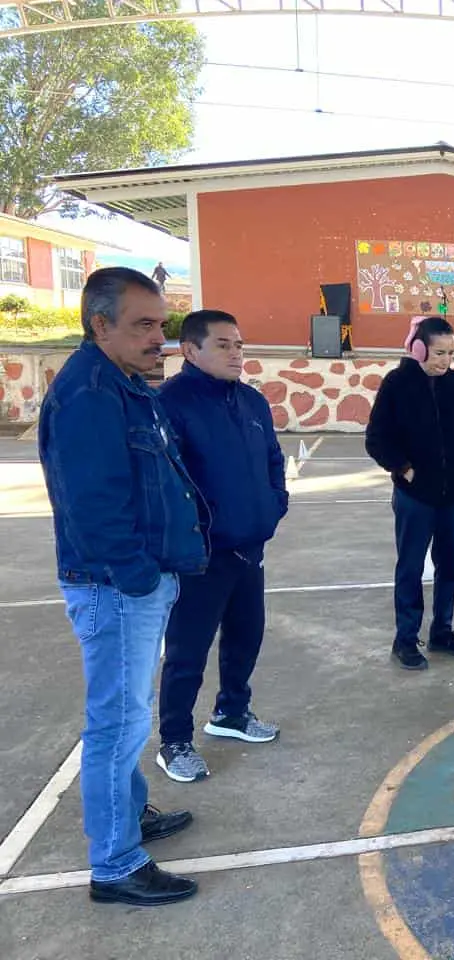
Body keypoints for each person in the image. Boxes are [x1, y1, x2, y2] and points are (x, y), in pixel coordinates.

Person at [37, 267, 206, 905]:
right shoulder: (90, 395)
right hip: (116, 587)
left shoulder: (122, 384)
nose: (157, 337)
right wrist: (140, 579)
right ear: (99, 324)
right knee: (118, 721)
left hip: (134, 583)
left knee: (129, 715)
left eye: (160, 323)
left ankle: (130, 814)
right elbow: (94, 507)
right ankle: (115, 864)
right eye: (142, 325)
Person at [154, 310, 289, 783]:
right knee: (187, 651)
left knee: (246, 635)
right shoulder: (170, 403)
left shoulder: (251, 402)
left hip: (249, 546)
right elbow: (165, 484)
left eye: (239, 344)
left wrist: (275, 504)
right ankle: (174, 741)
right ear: (191, 350)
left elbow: (273, 460)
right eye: (224, 345)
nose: (236, 353)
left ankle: (232, 712)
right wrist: (193, 538)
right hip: (201, 556)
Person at [365, 315, 454, 670]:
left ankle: (442, 631)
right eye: (438, 353)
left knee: (450, 566)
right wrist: (404, 469)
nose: (445, 361)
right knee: (411, 567)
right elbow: (376, 438)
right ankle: (405, 638)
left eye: (450, 354)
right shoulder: (397, 384)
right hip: (415, 498)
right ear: (416, 348)